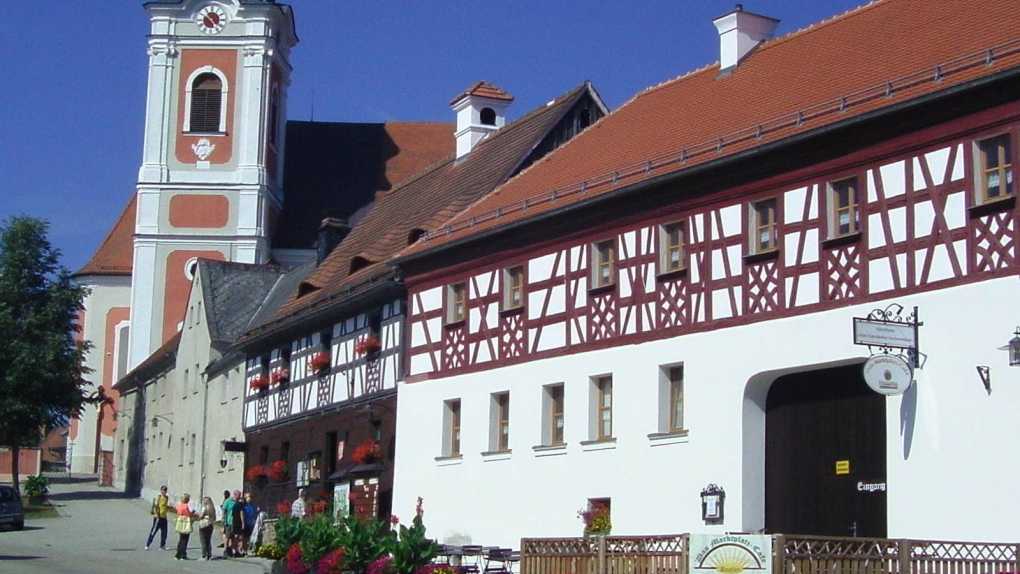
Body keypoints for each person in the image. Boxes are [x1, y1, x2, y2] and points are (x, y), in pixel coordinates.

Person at [145, 485, 169, 551]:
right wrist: (154, 512)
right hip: (158, 517)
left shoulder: (166, 498)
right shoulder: (158, 497)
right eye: (163, 490)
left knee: (164, 532)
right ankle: (147, 545)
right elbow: (155, 505)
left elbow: (166, 506)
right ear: (161, 490)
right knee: (153, 531)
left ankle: (162, 546)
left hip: (164, 517)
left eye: (165, 490)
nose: (164, 491)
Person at [173, 494, 196, 560]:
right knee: (185, 540)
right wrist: (193, 512)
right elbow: (189, 514)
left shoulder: (179, 505)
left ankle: (178, 554)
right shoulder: (186, 506)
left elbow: (178, 513)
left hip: (180, 523)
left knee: (181, 539)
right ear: (187, 500)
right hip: (185, 523)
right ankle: (182, 554)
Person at [197, 497, 217, 561]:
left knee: (203, 540)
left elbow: (201, 516)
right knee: (208, 540)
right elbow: (214, 518)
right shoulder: (212, 508)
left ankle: (204, 555)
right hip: (210, 524)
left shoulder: (204, 508)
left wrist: (198, 516)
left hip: (204, 524)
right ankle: (209, 554)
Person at [229, 490, 245, 557]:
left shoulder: (234, 504)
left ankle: (235, 550)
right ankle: (237, 551)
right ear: (236, 495)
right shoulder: (239, 504)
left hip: (234, 522)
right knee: (239, 537)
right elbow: (241, 514)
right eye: (239, 495)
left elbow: (232, 515)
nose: (240, 496)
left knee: (236, 537)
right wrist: (243, 523)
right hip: (238, 522)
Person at [222, 490, 237, 558]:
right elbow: (224, 511)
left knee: (233, 537)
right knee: (227, 537)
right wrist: (224, 521)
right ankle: (225, 550)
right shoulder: (228, 501)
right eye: (237, 496)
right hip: (228, 521)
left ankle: (231, 550)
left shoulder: (237, 502)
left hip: (235, 522)